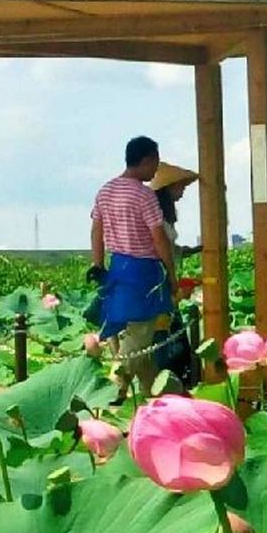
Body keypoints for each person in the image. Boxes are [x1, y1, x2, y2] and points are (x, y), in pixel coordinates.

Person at [90, 135, 173, 392]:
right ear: (146, 160)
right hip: (143, 272)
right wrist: (171, 272)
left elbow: (96, 230)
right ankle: (114, 390)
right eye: (155, 164)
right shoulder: (144, 195)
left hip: (117, 269)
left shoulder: (105, 191)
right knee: (139, 335)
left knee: (131, 337)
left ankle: (157, 393)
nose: (156, 170)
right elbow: (158, 237)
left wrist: (97, 263)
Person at [149, 162, 201, 387]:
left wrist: (195, 250)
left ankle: (177, 381)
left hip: (166, 286)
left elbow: (173, 250)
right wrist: (173, 281)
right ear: (168, 189)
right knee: (165, 337)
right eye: (180, 188)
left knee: (173, 332)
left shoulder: (164, 218)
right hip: (159, 287)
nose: (182, 193)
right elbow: (162, 252)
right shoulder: (156, 219)